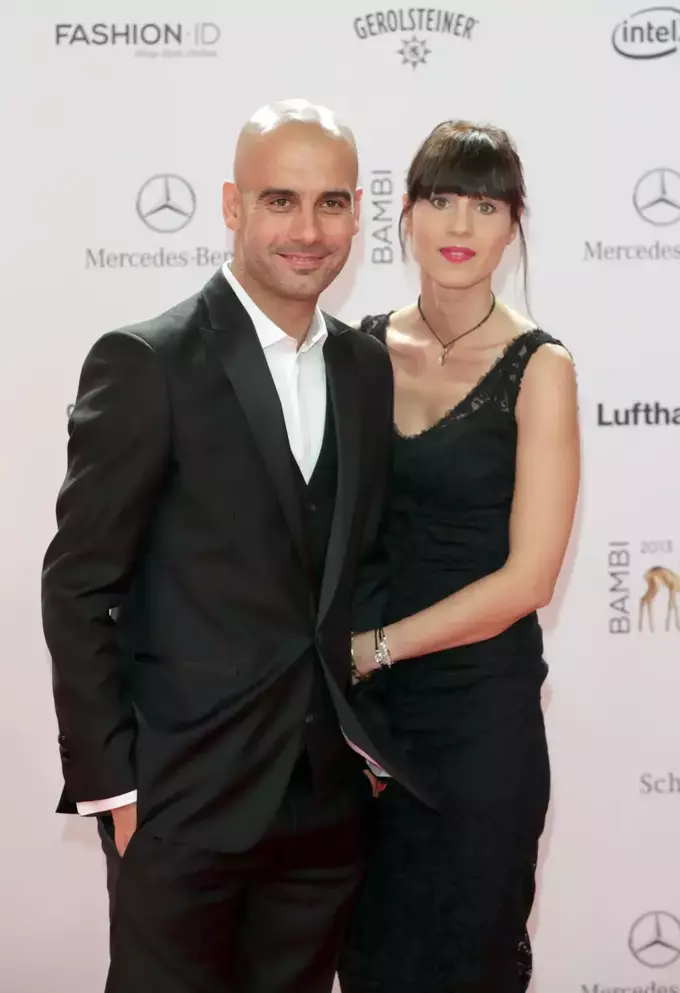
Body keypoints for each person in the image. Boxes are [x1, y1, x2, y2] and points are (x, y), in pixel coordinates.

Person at [41, 99, 430, 993]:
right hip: (179, 807)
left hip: (323, 811)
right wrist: (118, 793)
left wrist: (363, 746)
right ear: (232, 205)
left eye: (332, 202)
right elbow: (79, 587)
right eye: (279, 200)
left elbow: (361, 564)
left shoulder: (364, 367)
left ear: (357, 215)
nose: (308, 230)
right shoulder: (147, 361)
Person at [338, 120, 580, 993]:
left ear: (513, 225)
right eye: (441, 199)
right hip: (365, 731)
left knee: (468, 963)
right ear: (404, 214)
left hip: (480, 722)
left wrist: (377, 647)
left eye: (486, 205)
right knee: (369, 962)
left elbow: (529, 578)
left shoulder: (540, 367)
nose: (461, 224)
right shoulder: (357, 350)